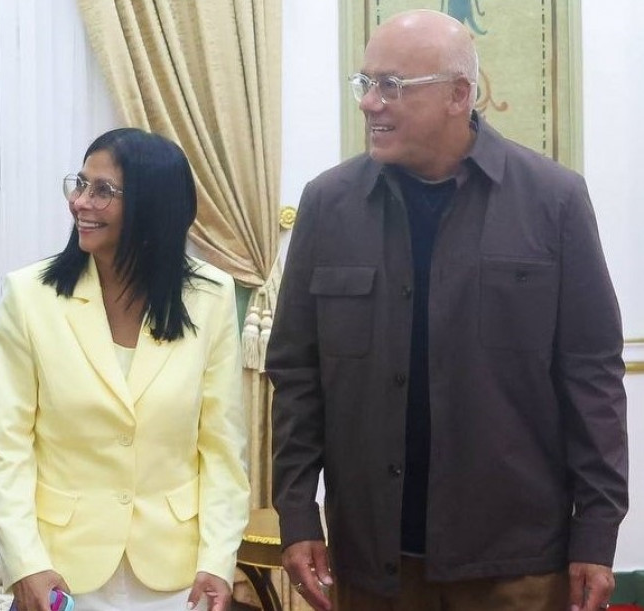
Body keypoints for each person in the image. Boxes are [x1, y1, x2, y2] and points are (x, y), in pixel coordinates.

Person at [266, 9, 627, 611]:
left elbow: (591, 377)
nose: (370, 103)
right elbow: (297, 376)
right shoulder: (329, 205)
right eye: (365, 83)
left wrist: (596, 531)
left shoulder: (553, 201)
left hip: (515, 564)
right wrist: (298, 513)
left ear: (459, 95)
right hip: (373, 561)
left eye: (391, 85)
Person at [0, 128, 250, 611]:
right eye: (80, 184)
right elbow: (6, 446)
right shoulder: (29, 295)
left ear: (153, 206)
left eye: (103, 190)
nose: (80, 202)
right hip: (61, 570)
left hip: (178, 575)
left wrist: (219, 560)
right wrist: (25, 562)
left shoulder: (211, 296)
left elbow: (222, 446)